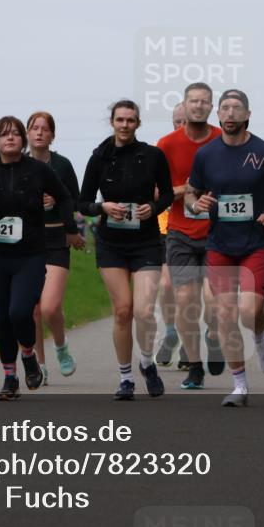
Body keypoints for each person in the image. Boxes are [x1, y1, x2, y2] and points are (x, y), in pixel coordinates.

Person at [0, 116, 74, 400]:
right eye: (4, 134)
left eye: (15, 134)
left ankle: (29, 354)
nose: (10, 138)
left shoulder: (38, 170)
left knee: (20, 312)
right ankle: (10, 378)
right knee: (1, 318)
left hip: (30, 256)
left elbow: (65, 197)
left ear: (22, 140)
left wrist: (69, 228)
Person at [184, 89, 264, 407]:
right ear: (219, 115)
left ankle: (260, 335)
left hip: (255, 243)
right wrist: (196, 203)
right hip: (220, 245)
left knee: (249, 312)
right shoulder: (206, 155)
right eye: (225, 108)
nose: (229, 113)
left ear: (247, 115)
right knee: (225, 313)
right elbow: (191, 193)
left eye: (236, 108)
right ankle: (240, 385)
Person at [78, 100, 173, 400]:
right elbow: (82, 202)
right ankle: (125, 378)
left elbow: (168, 193)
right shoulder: (99, 158)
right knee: (122, 311)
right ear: (112, 122)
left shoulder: (153, 156)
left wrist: (153, 207)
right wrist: (101, 207)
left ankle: (146, 362)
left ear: (138, 124)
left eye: (130, 120)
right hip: (111, 243)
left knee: (144, 312)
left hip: (145, 241)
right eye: (120, 120)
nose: (124, 125)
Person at [156, 83, 223, 390]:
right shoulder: (166, 145)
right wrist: (188, 189)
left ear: (212, 107)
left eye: (203, 101)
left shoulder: (223, 140)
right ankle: (194, 366)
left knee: (213, 303)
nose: (197, 107)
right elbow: (157, 192)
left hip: (216, 232)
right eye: (192, 102)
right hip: (180, 232)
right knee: (185, 301)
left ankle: (213, 335)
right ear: (184, 104)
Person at [26, 111, 83, 384]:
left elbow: (73, 200)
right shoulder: (18, 165)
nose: (39, 133)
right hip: (27, 242)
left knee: (49, 308)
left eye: (44, 129)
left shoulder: (62, 165)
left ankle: (60, 347)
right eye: (34, 128)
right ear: (27, 133)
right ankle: (39, 365)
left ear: (52, 135)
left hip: (56, 240)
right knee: (32, 309)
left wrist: (58, 206)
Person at [155, 102, 186, 372]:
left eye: (187, 121)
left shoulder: (210, 149)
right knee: (166, 286)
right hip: (167, 228)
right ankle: (170, 331)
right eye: (178, 121)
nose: (182, 126)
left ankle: (190, 340)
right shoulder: (163, 150)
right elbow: (153, 191)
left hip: (203, 230)